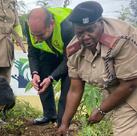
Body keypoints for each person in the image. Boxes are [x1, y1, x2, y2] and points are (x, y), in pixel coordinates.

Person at [57, 1, 137, 136]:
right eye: (80, 32)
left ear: (100, 22)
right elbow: (75, 89)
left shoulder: (122, 39)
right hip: (117, 91)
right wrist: (64, 124)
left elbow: (130, 84)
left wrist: (101, 110)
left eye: (90, 30)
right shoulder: (74, 50)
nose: (86, 36)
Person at [26, 7, 74, 126]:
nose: (36, 39)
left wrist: (52, 77)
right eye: (34, 35)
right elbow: (32, 51)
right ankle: (49, 114)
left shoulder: (68, 27)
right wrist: (35, 73)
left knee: (68, 83)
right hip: (50, 52)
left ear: (51, 24)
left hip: (70, 56)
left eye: (40, 34)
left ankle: (63, 121)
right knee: (41, 73)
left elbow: (69, 60)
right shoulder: (31, 26)